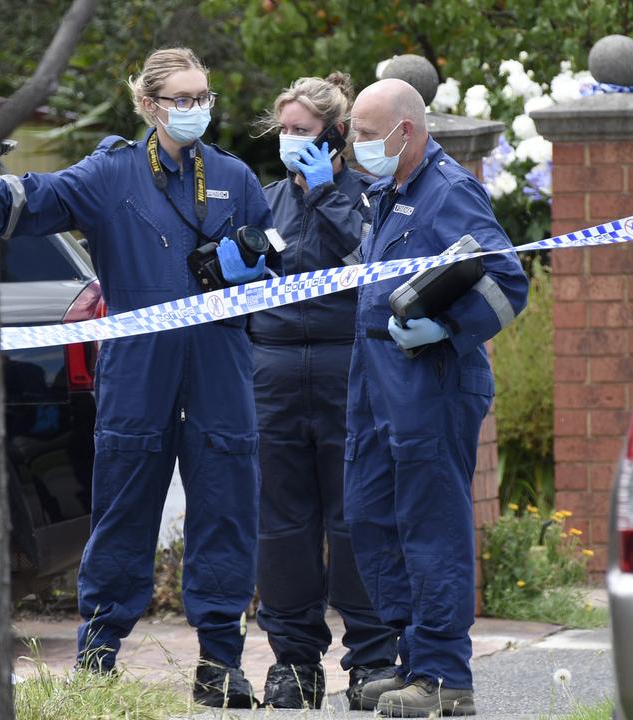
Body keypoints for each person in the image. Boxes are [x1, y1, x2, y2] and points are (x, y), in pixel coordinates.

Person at [0, 47, 273, 709]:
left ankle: (221, 663)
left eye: (202, 97)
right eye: (181, 99)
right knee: (124, 509)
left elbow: (273, 260)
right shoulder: (114, 174)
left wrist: (258, 269)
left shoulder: (237, 178)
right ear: (151, 106)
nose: (195, 109)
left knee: (227, 508)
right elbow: (41, 197)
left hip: (219, 362)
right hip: (139, 367)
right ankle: (98, 661)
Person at [341, 78, 528, 717]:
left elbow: (507, 280)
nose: (353, 146)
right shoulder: (388, 193)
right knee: (371, 515)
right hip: (376, 376)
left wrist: (446, 327)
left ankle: (445, 676)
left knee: (429, 523)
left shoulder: (448, 191)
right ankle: (412, 659)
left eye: (364, 135)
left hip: (430, 378)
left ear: (406, 133)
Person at [248, 73, 398, 711]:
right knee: (281, 526)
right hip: (272, 372)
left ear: (336, 136)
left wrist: (331, 193)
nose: (290, 142)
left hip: (347, 369)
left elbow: (370, 259)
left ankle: (370, 659)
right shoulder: (264, 198)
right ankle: (293, 662)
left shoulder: (368, 196)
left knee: (356, 518)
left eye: (303, 132)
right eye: (284, 130)